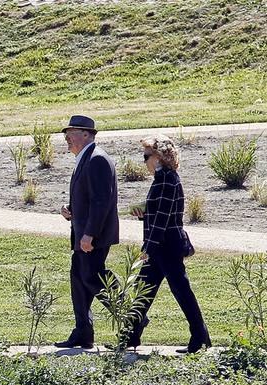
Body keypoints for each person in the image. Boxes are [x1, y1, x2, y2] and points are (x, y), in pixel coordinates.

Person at [128, 137, 211, 353]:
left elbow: (163, 219)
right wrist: (144, 213)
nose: (144, 160)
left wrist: (148, 248)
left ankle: (200, 338)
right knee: (143, 290)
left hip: (165, 246)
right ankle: (129, 336)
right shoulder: (165, 177)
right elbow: (160, 213)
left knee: (180, 291)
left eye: (146, 156)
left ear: (159, 157)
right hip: (162, 244)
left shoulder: (164, 178)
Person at [57, 115, 119, 349]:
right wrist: (71, 210)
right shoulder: (87, 159)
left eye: (70, 134)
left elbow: (101, 201)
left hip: (93, 236)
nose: (67, 139)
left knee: (93, 277)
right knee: (79, 277)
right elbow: (89, 198)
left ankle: (133, 316)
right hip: (83, 232)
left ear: (86, 134)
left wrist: (89, 234)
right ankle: (83, 331)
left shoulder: (97, 159)